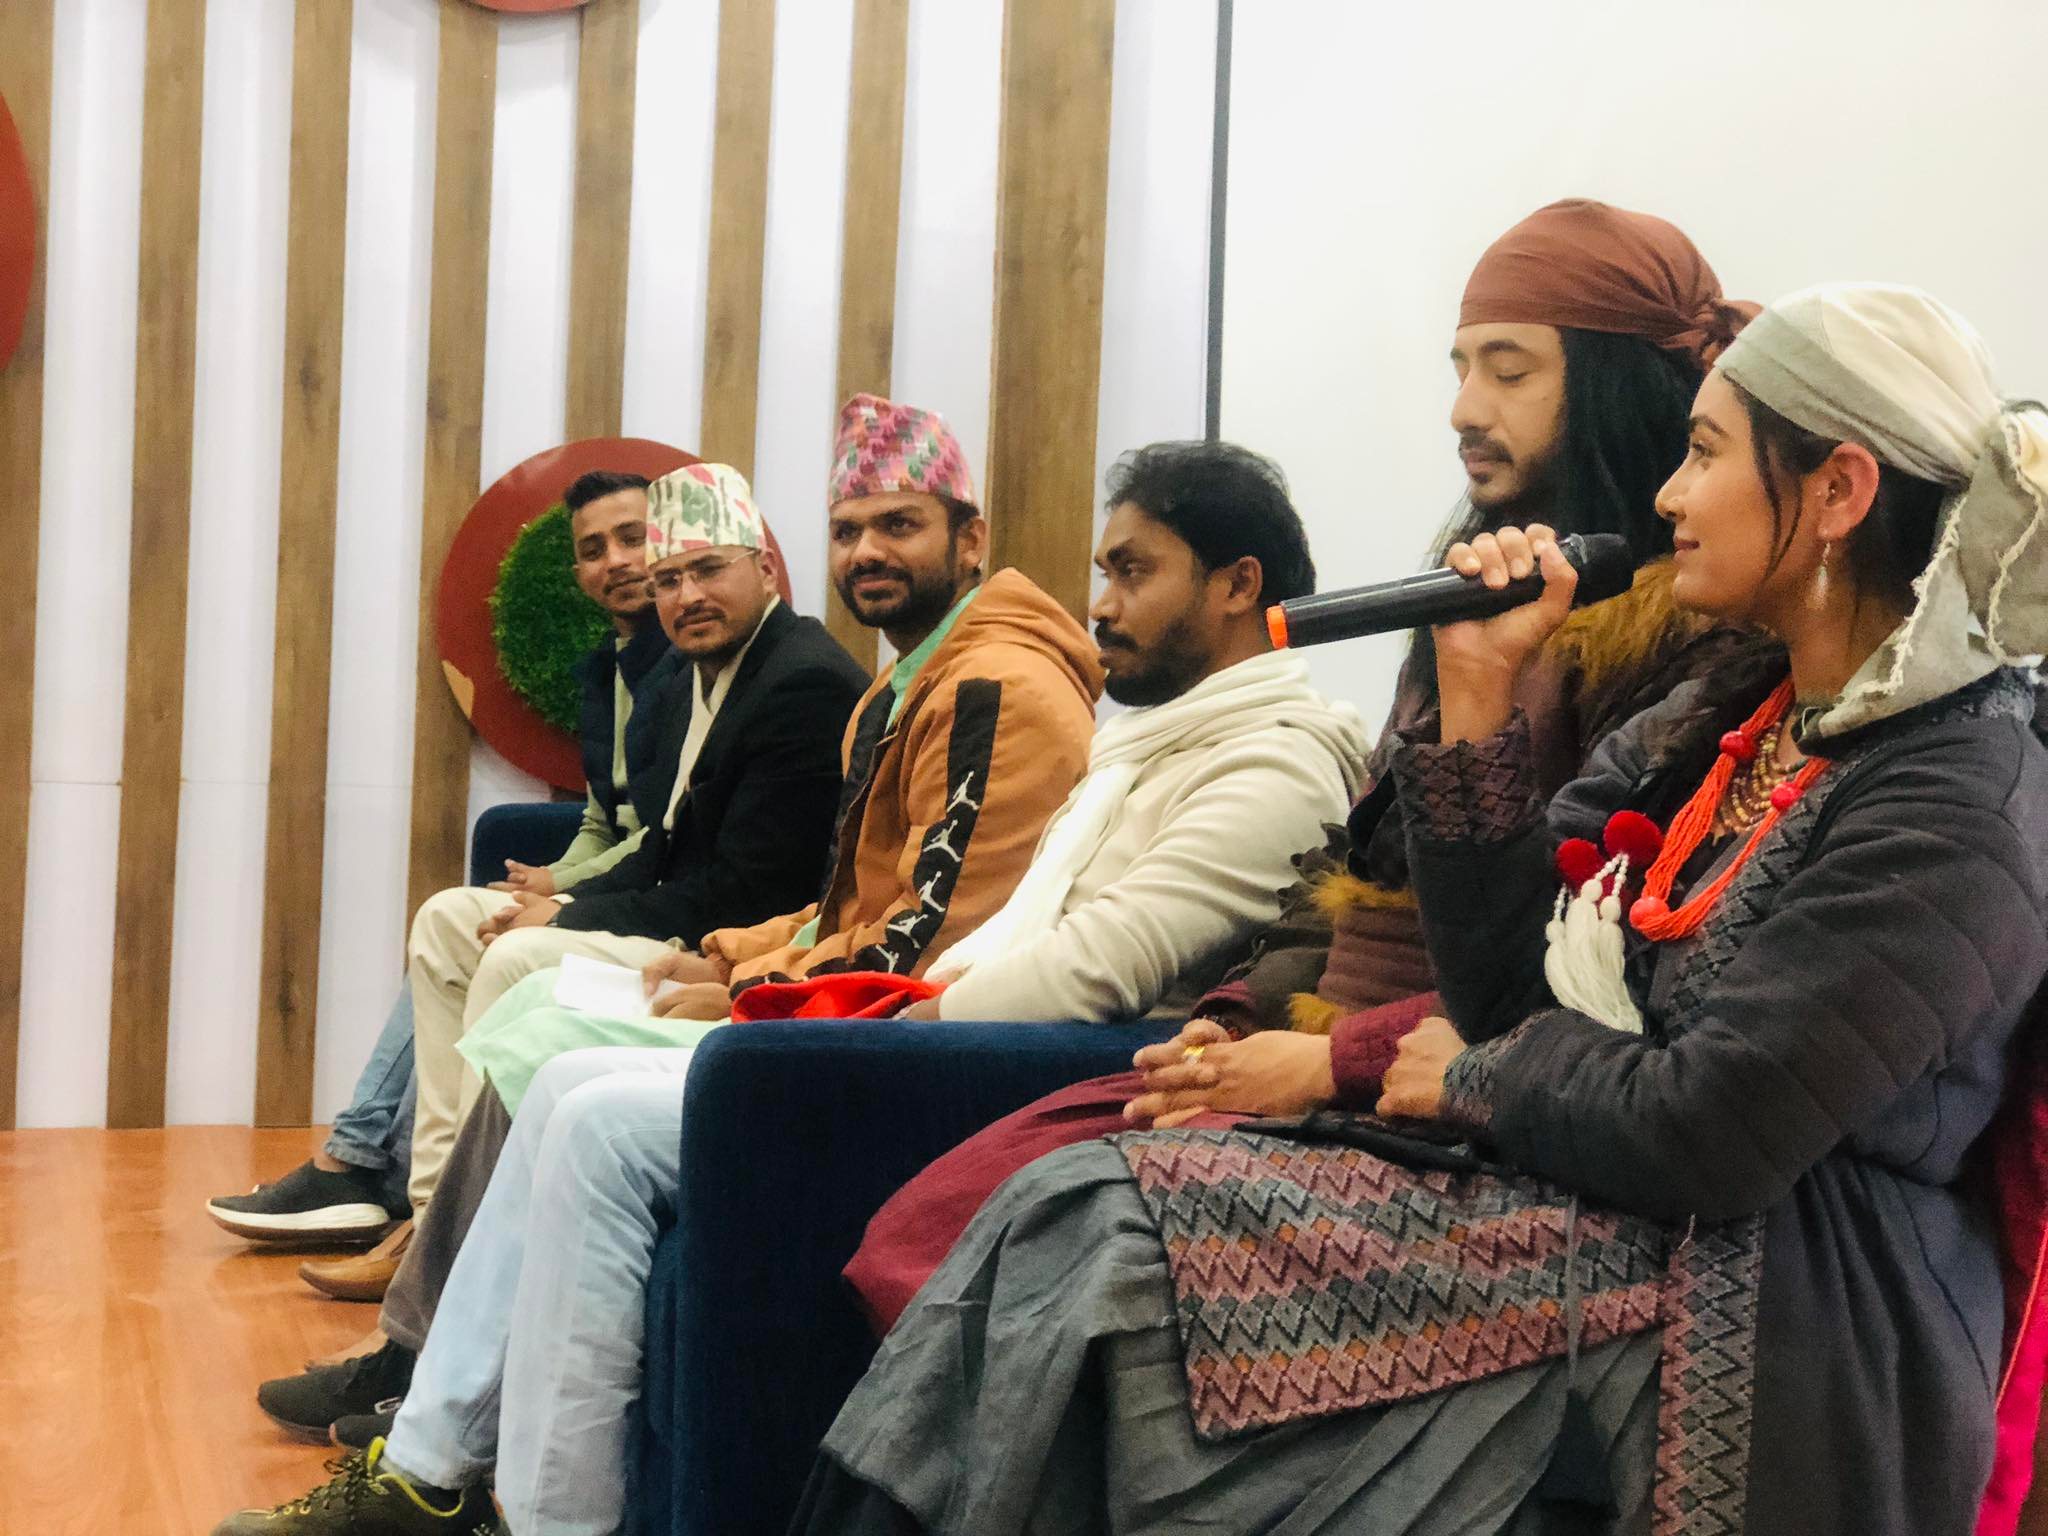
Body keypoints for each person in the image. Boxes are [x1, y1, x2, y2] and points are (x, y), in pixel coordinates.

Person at [791, 283, 2048, 1536]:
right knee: (1060, 1212)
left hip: (1773, 1296)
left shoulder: (1956, 801)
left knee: (1110, 1255)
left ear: (1835, 492)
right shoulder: (1724, 722)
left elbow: (1712, 1130)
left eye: (1706, 454)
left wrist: (1468, 1081)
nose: (1668, 496)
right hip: (1590, 1199)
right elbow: (1506, 988)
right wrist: (1478, 693)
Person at [210, 434, 1377, 1535]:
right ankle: (443, 1477)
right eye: (1101, 571)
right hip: (947, 1034)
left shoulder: (1260, 753)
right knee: (562, 1077)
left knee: (592, 1106)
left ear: (1237, 584)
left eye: (1132, 571)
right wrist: (782, 978)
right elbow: (893, 911)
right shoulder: (1138, 737)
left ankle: (495, 1489)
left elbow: (1085, 966)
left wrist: (853, 1015)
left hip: (1031, 1085)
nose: (1102, 604)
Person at [844, 197, 1763, 1329]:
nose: (1464, 409)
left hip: (1449, 1088)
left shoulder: (1691, 642)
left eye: (1509, 370)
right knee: (935, 1213)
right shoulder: (1476, 600)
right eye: (1460, 368)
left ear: (1618, 384)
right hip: (1316, 1046)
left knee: (1029, 1241)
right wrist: (1233, 1021)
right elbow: (1346, 866)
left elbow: (1580, 957)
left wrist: (1330, 1062)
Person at [243, 394, 1102, 1446]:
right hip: (829, 999)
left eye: (899, 525)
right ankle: (422, 1354)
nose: (868, 551)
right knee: (530, 1009)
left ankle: (428, 1390)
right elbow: (842, 901)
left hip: (889, 1045)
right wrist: (736, 957)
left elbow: (933, 939)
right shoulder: (907, 682)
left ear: (969, 540)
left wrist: (743, 980)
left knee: (544, 1030)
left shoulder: (982, 687)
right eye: (848, 530)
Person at [204, 469, 673, 1254]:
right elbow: (604, 818)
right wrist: (551, 878)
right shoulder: (606, 669)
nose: (617, 561)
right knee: (456, 917)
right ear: (578, 572)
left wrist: (560, 888)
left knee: (475, 932)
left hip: (661, 903)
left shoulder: (692, 663)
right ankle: (378, 1175)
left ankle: (369, 1173)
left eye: (633, 538)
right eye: (594, 549)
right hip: (613, 884)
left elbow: (667, 834)